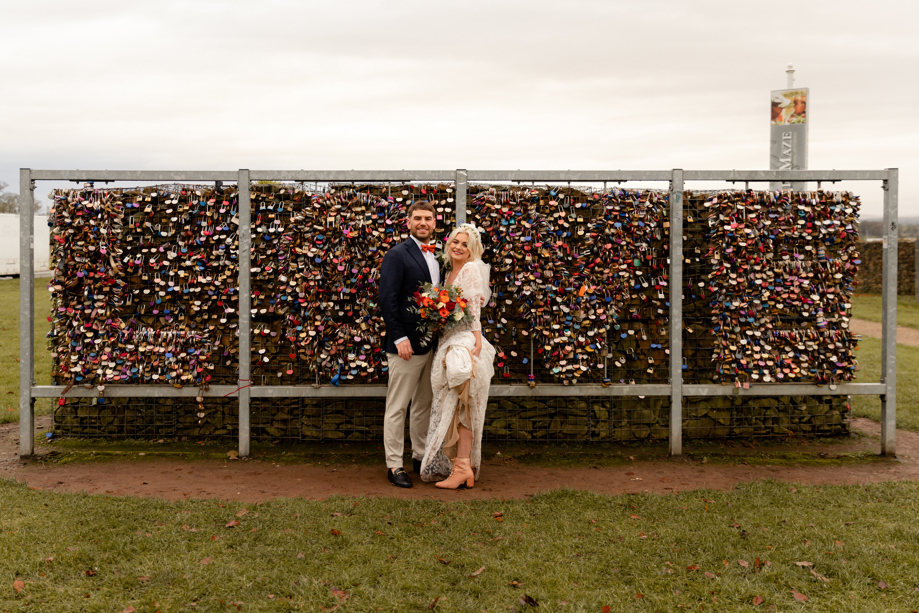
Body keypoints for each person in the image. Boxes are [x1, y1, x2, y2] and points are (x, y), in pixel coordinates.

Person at [420, 224, 496, 489]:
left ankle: (463, 466)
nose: (459, 247)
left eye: (465, 244)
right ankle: (460, 466)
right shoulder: (449, 270)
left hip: (464, 341)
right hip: (449, 339)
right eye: (455, 242)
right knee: (453, 403)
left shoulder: (471, 269)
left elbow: (473, 308)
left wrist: (475, 340)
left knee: (464, 399)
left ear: (472, 249)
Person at [378, 201, 440, 488]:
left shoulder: (436, 257)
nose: (423, 223)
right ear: (408, 222)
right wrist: (400, 337)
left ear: (435, 223)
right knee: (398, 406)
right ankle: (394, 465)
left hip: (431, 345)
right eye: (418, 218)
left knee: (423, 404)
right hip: (405, 346)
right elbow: (387, 300)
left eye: (428, 218)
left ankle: (419, 456)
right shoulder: (396, 255)